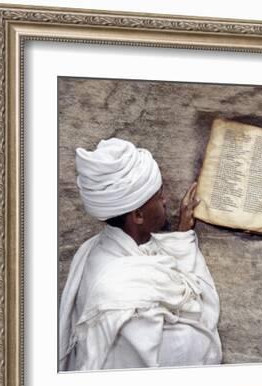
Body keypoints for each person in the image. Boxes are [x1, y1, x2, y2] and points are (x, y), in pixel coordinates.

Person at [58, 137, 222, 371]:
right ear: (138, 216)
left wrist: (182, 232)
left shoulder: (96, 246)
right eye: (159, 195)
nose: (166, 201)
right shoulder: (126, 307)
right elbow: (193, 350)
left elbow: (148, 253)